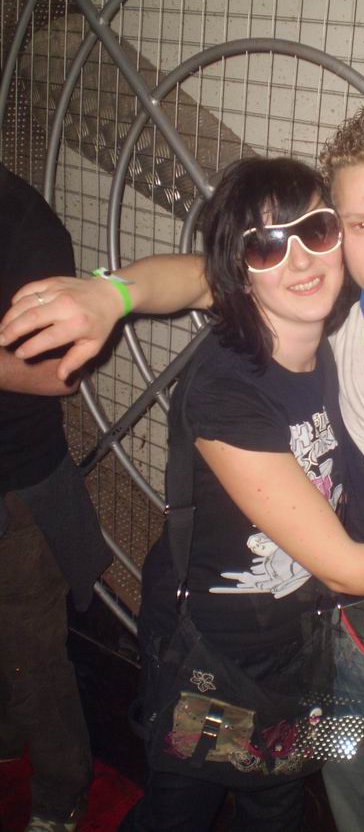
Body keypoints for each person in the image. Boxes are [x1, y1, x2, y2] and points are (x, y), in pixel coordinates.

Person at [0, 152, 364, 832]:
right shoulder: (226, 392)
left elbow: (194, 276)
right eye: (266, 244)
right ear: (241, 272)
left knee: (278, 801)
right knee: (182, 808)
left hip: (305, 651)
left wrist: (118, 294)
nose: (298, 259)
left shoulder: (328, 312)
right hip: (217, 659)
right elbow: (343, 565)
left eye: (316, 231)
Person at [0, 163, 112, 832]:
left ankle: (60, 797)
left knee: (33, 655)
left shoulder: (22, 222)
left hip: (15, 484)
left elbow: (59, 375)